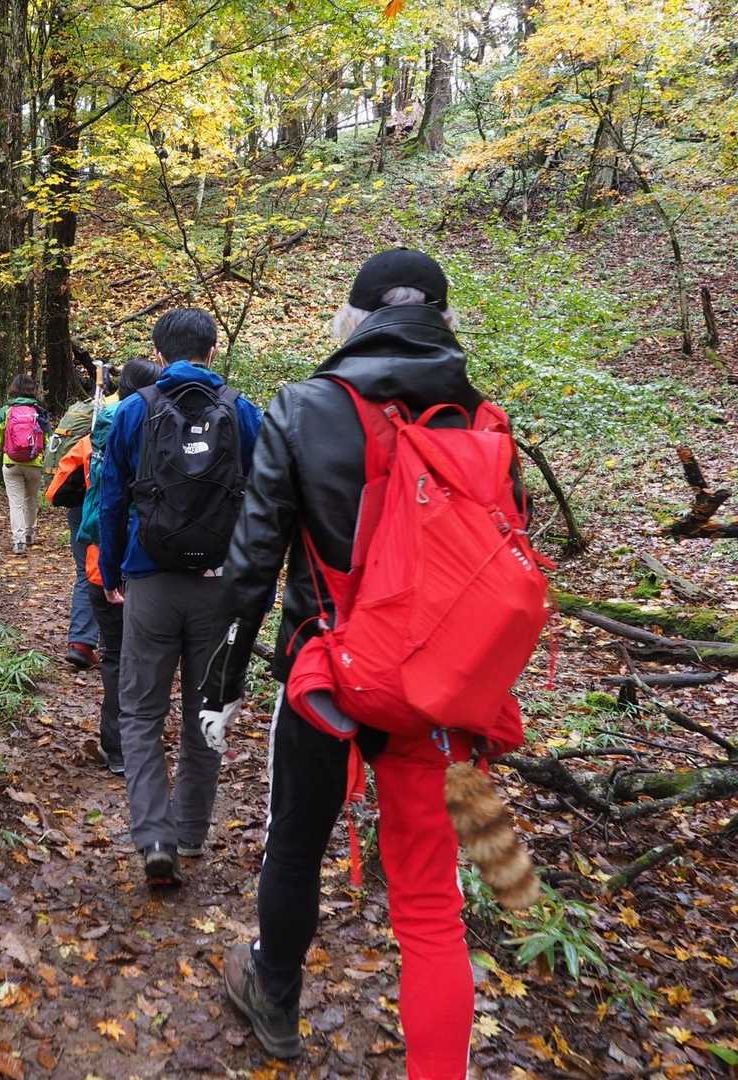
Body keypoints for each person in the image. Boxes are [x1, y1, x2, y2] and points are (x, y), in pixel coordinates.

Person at [199, 250, 526, 1076]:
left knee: (293, 846)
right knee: (431, 910)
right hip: (438, 698)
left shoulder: (305, 408)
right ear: (445, 322)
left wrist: (221, 685)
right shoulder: (484, 423)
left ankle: (274, 995)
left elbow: (251, 565)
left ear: (351, 320)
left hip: (329, 685)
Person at [97, 309, 261, 887]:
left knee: (141, 711)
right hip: (219, 585)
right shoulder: (243, 411)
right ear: (213, 352)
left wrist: (111, 570)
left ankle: (154, 837)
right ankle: (190, 832)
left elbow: (111, 497)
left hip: (150, 578)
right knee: (205, 710)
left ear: (158, 355)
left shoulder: (134, 409)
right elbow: (266, 500)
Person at [49, 359, 164, 776]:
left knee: (114, 655)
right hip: (155, 567)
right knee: (149, 657)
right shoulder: (164, 433)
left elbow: (58, 490)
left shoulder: (97, 432)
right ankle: (145, 745)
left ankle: (116, 749)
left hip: (103, 563)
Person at [44, 372, 116, 669]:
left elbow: (66, 468)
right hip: (113, 507)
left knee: (86, 572)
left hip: (82, 502)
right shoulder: (142, 414)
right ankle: (114, 647)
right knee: (120, 574)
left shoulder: (94, 414)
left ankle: (81, 643)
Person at [0, 374, 51, 555]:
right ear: (32, 390)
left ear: (13, 389)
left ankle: (19, 541)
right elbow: (48, 438)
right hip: (34, 462)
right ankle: (30, 534)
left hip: (11, 463)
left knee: (16, 503)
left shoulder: (6, 411)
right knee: (31, 499)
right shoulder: (39, 410)